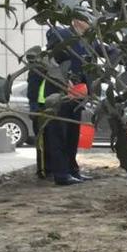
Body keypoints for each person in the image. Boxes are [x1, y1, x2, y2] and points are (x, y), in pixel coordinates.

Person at [34, 20, 95, 186]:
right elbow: (50, 58)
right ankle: (61, 174)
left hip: (78, 96)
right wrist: (63, 80)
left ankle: (73, 170)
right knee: (58, 135)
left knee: (72, 135)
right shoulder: (61, 34)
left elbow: (106, 53)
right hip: (58, 95)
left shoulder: (89, 41)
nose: (90, 21)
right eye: (85, 18)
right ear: (75, 20)